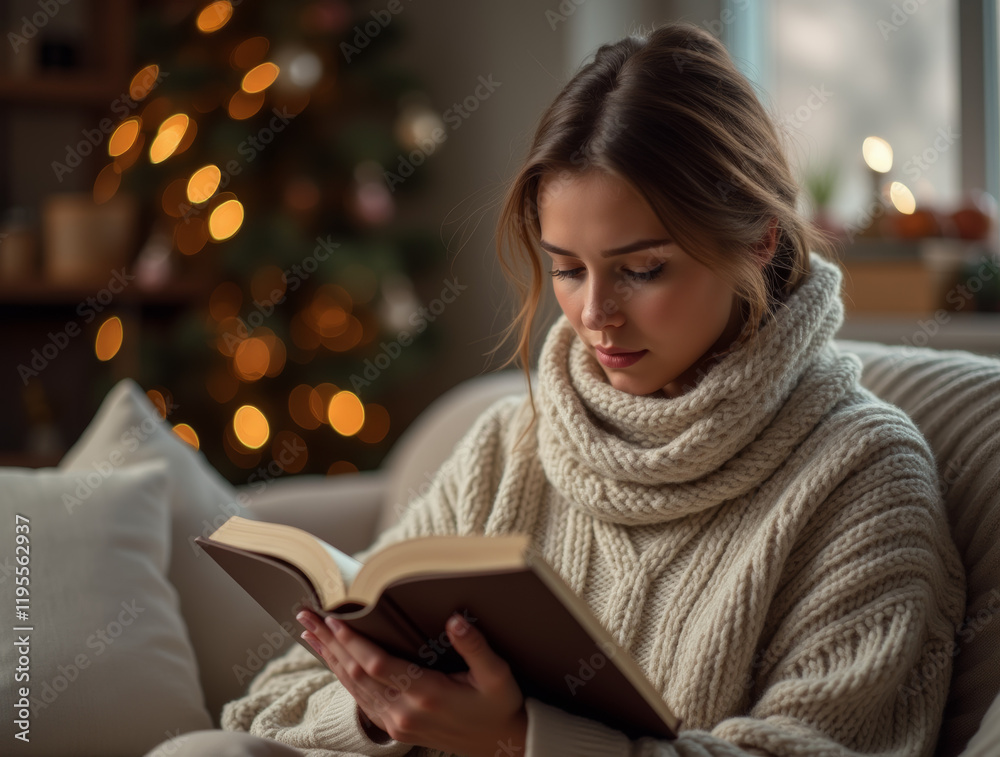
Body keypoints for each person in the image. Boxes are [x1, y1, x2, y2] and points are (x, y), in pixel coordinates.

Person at [163, 20, 966, 757]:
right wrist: (382, 709)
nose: (595, 314)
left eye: (643, 269)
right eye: (567, 270)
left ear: (758, 240)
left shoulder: (865, 472)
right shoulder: (511, 446)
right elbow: (267, 704)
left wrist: (525, 741)